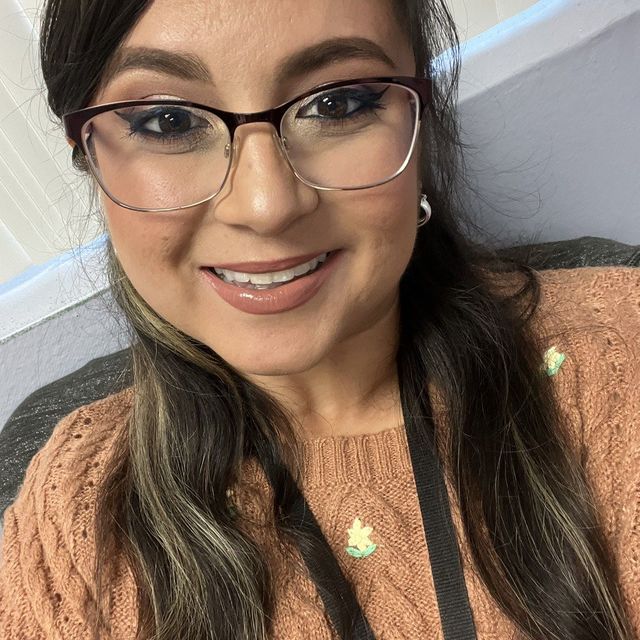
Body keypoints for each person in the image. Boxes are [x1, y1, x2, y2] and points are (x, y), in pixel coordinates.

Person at [0, 0, 638, 638]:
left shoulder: (621, 351)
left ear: (419, 123)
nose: (266, 205)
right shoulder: (71, 519)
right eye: (168, 121)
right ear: (89, 158)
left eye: (337, 104)